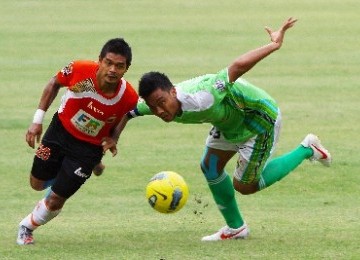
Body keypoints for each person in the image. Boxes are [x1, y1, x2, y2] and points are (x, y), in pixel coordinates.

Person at [120, 18, 332, 241]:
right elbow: (127, 112)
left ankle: (307, 148)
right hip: (228, 123)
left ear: (173, 92)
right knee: (210, 167)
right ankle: (236, 228)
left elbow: (237, 67)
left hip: (258, 118)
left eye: (162, 102)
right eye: (154, 107)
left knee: (245, 186)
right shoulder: (154, 106)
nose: (160, 110)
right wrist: (112, 138)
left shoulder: (203, 95)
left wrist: (273, 45)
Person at [17, 38, 138, 245]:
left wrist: (114, 137)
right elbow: (54, 83)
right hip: (59, 132)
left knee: (56, 199)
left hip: (89, 147)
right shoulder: (80, 70)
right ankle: (87, 166)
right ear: (99, 60)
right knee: (36, 183)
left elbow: (128, 114)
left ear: (126, 69)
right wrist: (37, 121)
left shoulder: (128, 96)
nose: (112, 70)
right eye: (108, 62)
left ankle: (26, 227)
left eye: (119, 66)